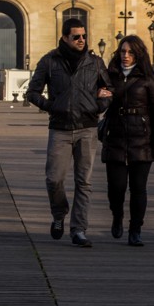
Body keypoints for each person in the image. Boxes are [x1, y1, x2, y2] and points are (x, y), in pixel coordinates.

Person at [25, 19, 111, 247]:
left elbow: (109, 90)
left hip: (87, 128)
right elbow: (32, 93)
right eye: (76, 37)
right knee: (54, 179)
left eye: (84, 36)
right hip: (60, 129)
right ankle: (59, 214)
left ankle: (79, 229)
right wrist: (52, 107)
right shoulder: (50, 61)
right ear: (64, 38)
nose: (81, 40)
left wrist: (99, 106)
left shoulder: (95, 62)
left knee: (84, 182)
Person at [101, 36, 154, 246]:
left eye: (130, 52)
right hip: (116, 136)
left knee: (139, 188)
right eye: (123, 52)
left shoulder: (148, 78)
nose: (126, 56)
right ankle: (117, 215)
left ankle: (135, 229)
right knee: (116, 187)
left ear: (138, 54)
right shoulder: (110, 76)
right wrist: (99, 94)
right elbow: (100, 102)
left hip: (142, 138)